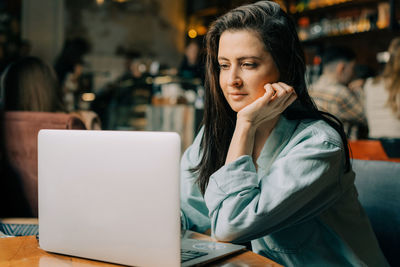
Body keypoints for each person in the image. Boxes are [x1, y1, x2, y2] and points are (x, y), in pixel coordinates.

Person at [180, 1, 388, 266]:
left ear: (284, 69)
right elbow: (189, 210)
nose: (231, 79)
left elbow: (230, 225)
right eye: (223, 65)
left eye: (248, 64)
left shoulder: (319, 145)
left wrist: (245, 125)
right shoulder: (217, 132)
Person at [310, 46, 368, 139]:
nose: (353, 73)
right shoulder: (340, 93)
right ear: (342, 68)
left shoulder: (312, 88)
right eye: (352, 68)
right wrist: (360, 89)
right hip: (348, 148)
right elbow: (366, 118)